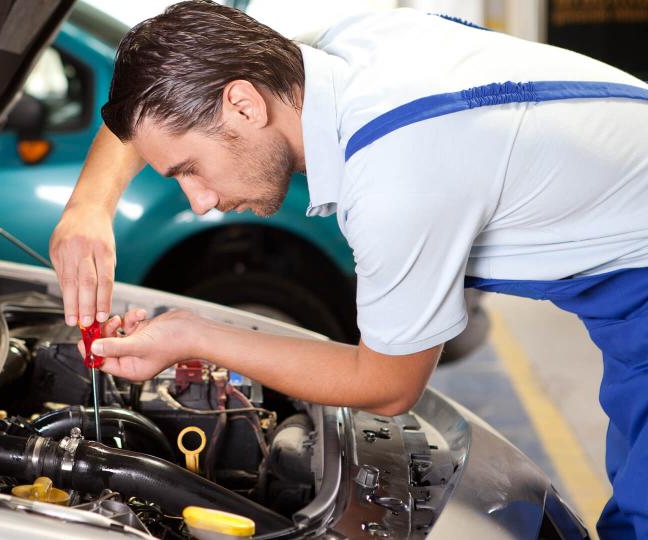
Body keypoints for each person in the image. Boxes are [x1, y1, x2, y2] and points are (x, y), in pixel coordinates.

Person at [48, 2, 648, 537]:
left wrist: (192, 334)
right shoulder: (332, 45)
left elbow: (386, 386)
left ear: (243, 105)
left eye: (189, 168)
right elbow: (156, 93)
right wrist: (87, 209)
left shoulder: (397, 174)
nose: (198, 201)